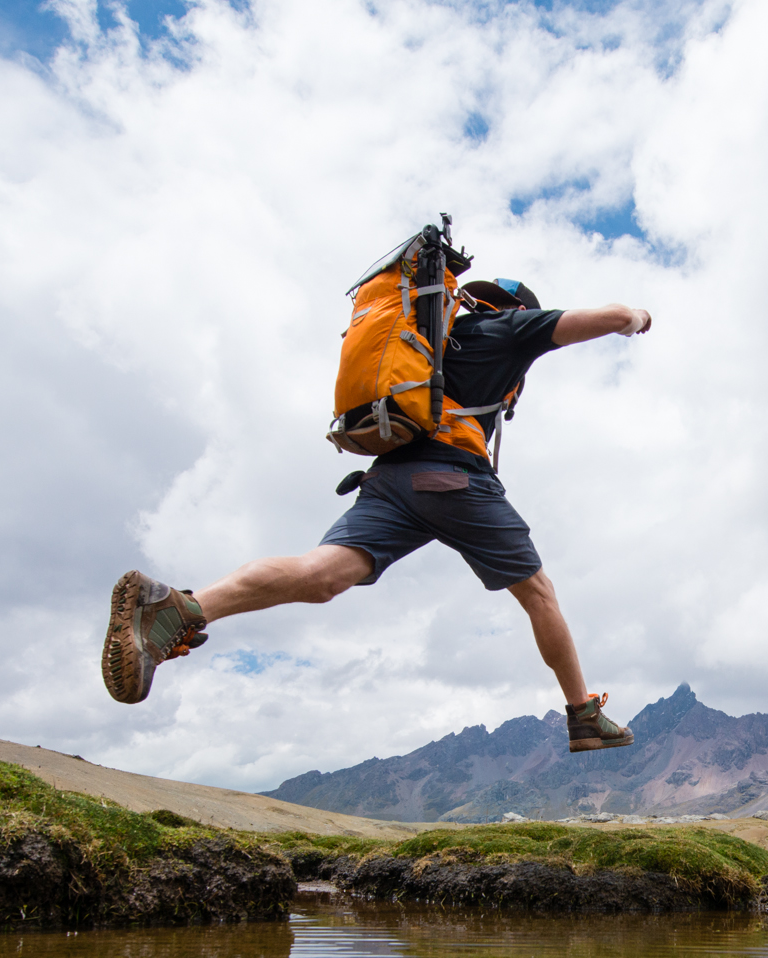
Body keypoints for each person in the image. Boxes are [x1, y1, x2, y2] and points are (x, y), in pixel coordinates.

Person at [101, 277, 652, 753]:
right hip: (455, 478)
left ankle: (181, 607)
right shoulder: (505, 330)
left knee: (321, 575)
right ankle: (583, 717)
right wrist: (635, 317)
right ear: (514, 309)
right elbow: (605, 318)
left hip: (388, 481)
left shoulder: (430, 346)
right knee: (539, 593)